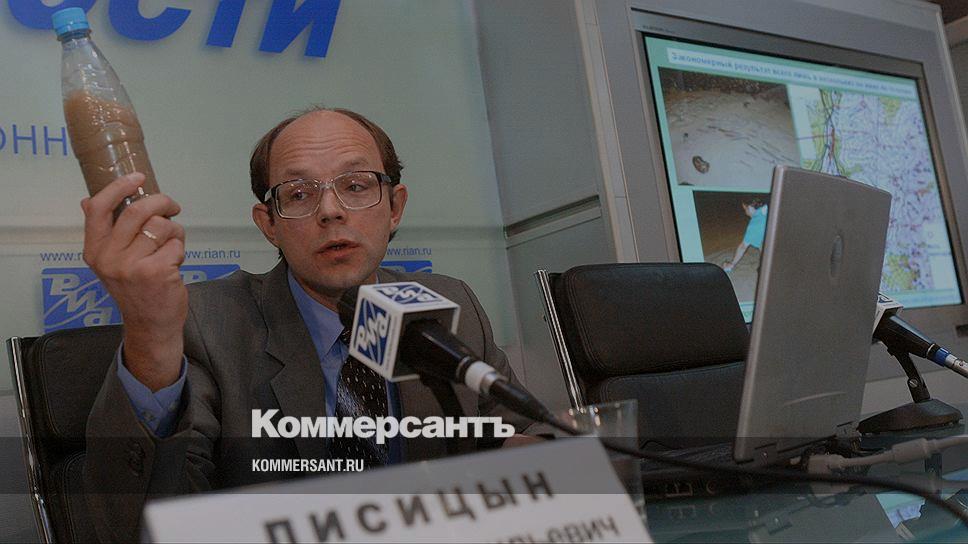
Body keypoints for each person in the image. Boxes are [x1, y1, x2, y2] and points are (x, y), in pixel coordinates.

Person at [80, 107, 542, 542]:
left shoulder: (448, 305)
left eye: (356, 186)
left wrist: (530, 460)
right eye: (299, 194)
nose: (331, 210)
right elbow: (144, 522)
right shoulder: (208, 323)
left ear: (394, 207)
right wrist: (151, 335)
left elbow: (521, 438)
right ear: (269, 224)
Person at [723, 199, 768, 273]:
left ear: (750, 207)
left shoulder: (754, 224)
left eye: (745, 209)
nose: (745, 213)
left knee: (762, 245)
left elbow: (743, 246)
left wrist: (732, 263)